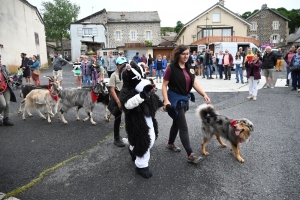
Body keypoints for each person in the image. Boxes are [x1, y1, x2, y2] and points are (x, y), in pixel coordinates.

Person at [162, 45, 211, 164]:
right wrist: (166, 100)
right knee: (183, 126)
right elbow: (164, 85)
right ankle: (190, 154)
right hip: (175, 100)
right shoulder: (171, 68)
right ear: (178, 54)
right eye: (183, 53)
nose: (186, 56)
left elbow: (194, 83)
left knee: (177, 123)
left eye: (187, 54)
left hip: (184, 99)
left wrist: (204, 94)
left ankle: (170, 143)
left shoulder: (190, 68)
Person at [118, 61, 163, 179]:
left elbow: (155, 100)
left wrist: (163, 105)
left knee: (151, 139)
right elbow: (127, 104)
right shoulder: (126, 91)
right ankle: (141, 166)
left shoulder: (145, 89)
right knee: (143, 142)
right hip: (136, 122)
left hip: (148, 120)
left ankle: (132, 148)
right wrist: (141, 96)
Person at [108, 57, 128, 147]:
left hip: (127, 98)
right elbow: (112, 90)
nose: (123, 66)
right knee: (118, 119)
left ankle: (130, 136)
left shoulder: (127, 74)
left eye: (124, 64)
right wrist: (118, 101)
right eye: (121, 65)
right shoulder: (114, 75)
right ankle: (116, 138)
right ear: (117, 65)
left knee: (129, 118)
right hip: (118, 97)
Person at [0, 56, 16, 126]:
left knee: (7, 103)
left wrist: (9, 78)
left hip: (6, 87)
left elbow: (7, 75)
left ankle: (6, 119)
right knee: (3, 104)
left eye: (0, 58)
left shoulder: (3, 67)